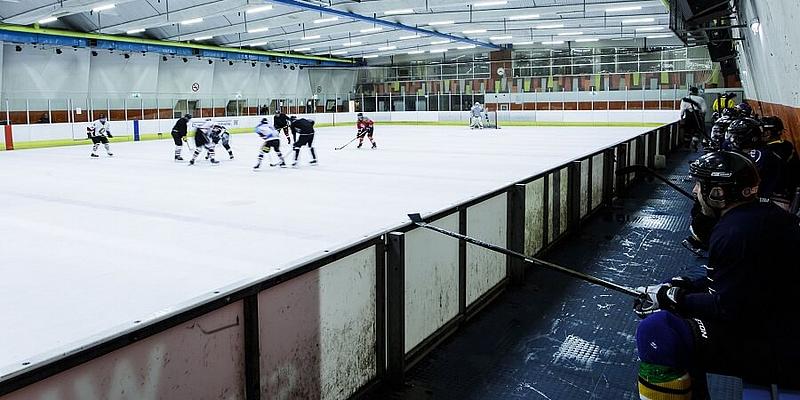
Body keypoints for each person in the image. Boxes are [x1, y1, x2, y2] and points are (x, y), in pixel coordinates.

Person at [633, 151, 800, 399]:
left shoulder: (733, 234)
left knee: (658, 331)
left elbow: (728, 308)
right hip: (782, 328)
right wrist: (686, 286)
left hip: (782, 352)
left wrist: (677, 299)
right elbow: (742, 281)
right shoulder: (764, 217)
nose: (695, 191)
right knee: (678, 313)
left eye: (701, 185)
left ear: (718, 193)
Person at [679, 87, 707, 151]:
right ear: (697, 92)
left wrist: (682, 117)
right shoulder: (701, 99)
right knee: (697, 131)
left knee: (687, 131)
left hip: (688, 116)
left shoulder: (685, 99)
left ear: (690, 92)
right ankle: (695, 142)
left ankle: (687, 145)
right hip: (696, 116)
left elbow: (682, 110)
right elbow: (704, 110)